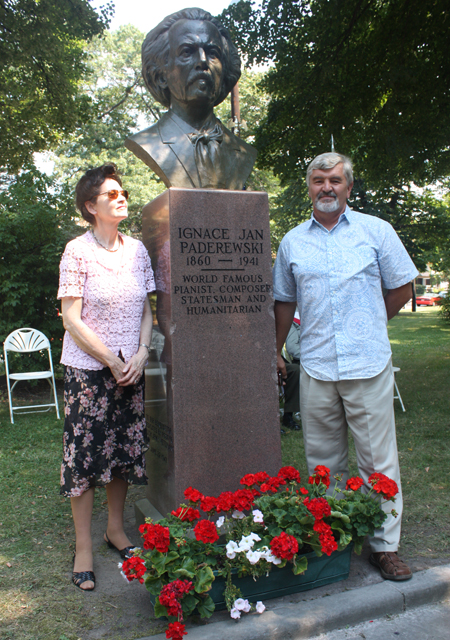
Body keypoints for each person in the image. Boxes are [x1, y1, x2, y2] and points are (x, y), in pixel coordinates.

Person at [273, 152, 418, 581]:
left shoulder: (377, 231)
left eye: (335, 180)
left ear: (349, 186)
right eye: (318, 180)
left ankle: (384, 546)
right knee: (323, 461)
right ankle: (332, 538)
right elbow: (284, 300)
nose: (327, 188)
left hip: (367, 364)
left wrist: (370, 324)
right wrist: (274, 350)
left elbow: (402, 285)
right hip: (316, 366)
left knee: (378, 462)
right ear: (309, 187)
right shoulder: (293, 241)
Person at [57, 163, 155, 590]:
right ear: (89, 206)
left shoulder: (137, 250)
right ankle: (83, 548)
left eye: (123, 192)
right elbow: (71, 318)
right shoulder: (77, 251)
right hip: (89, 372)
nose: (121, 198)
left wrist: (140, 353)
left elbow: (147, 309)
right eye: (110, 194)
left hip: (130, 370)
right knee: (84, 459)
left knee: (122, 452)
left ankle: (115, 530)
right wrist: (110, 361)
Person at [125, 8, 257, 190]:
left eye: (213, 53)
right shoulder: (148, 142)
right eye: (187, 52)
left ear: (225, 72)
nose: (203, 61)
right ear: (161, 75)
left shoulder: (243, 152)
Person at [281, 313, 301, 433]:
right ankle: (288, 415)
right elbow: (293, 348)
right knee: (295, 370)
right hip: (307, 359)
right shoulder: (292, 317)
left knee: (294, 370)